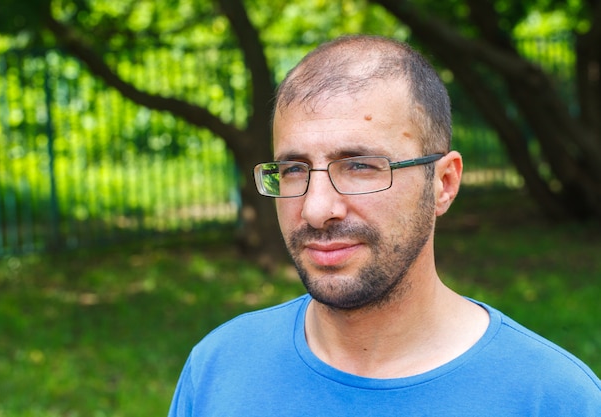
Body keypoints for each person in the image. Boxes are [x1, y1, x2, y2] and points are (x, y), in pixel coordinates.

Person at [168, 35, 601, 416]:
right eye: (295, 169)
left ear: (444, 184)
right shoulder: (219, 370)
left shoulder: (553, 399)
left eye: (359, 166)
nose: (316, 210)